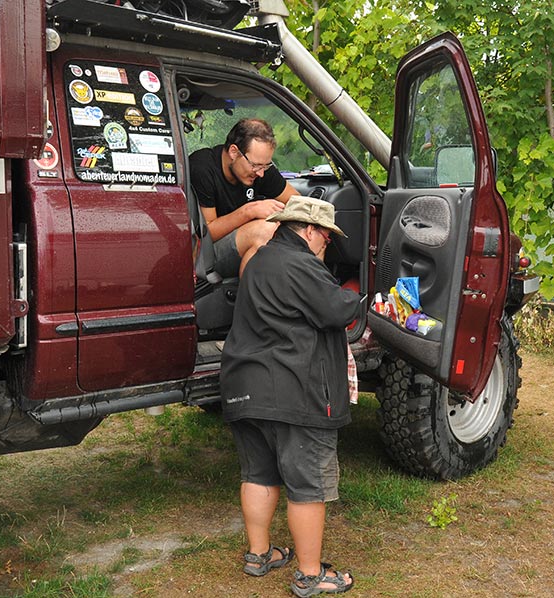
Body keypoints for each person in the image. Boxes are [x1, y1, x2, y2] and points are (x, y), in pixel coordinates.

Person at [220, 196, 361, 596]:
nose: (326, 246)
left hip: (245, 388)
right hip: (294, 392)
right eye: (327, 239)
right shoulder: (300, 264)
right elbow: (336, 310)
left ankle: (259, 554)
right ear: (311, 230)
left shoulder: (260, 259)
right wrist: (356, 294)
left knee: (258, 474)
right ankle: (310, 575)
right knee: (308, 485)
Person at [189, 118, 299, 277]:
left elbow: (297, 201)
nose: (261, 173)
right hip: (204, 253)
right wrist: (250, 211)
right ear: (234, 152)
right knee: (265, 230)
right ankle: (253, 292)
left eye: (266, 166)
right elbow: (207, 233)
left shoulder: (260, 167)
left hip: (238, 240)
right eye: (255, 165)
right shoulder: (203, 169)